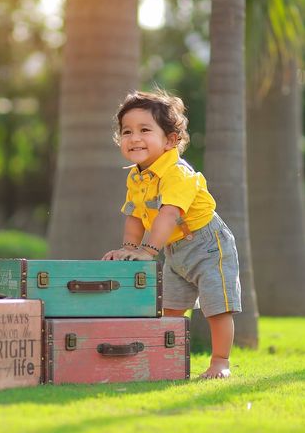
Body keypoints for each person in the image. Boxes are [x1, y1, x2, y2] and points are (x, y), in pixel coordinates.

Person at [102, 89, 241, 379]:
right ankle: (167, 365)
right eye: (127, 131)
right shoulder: (136, 175)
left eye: (144, 130)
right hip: (174, 249)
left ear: (170, 140)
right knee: (170, 310)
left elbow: (169, 214)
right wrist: (129, 248)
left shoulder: (178, 173)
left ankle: (220, 362)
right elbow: (135, 216)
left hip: (208, 244)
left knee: (217, 307)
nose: (134, 138)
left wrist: (147, 251)